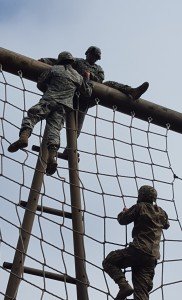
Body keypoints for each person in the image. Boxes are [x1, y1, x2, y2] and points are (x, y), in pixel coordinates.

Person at [38, 46, 149, 155]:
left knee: (76, 128)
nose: (94, 58)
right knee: (56, 121)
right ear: (87, 53)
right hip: (72, 94)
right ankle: (50, 146)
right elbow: (62, 63)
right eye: (93, 55)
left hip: (87, 97)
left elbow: (101, 80)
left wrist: (91, 76)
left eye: (96, 57)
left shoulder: (98, 69)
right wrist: (44, 61)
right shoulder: (78, 62)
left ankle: (131, 91)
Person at [8, 51, 92, 175]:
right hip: (63, 107)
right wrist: (87, 79)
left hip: (49, 99)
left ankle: (24, 137)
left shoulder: (54, 69)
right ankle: (52, 157)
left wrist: (48, 90)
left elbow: (40, 83)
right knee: (54, 130)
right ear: (72, 62)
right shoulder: (77, 76)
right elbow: (88, 92)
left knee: (33, 115)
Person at [102, 185, 170, 300]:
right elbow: (167, 225)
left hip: (138, 249)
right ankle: (143, 284)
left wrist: (125, 212)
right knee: (141, 293)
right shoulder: (162, 212)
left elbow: (123, 220)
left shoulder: (140, 207)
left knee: (109, 261)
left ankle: (123, 285)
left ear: (141, 195)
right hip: (152, 257)